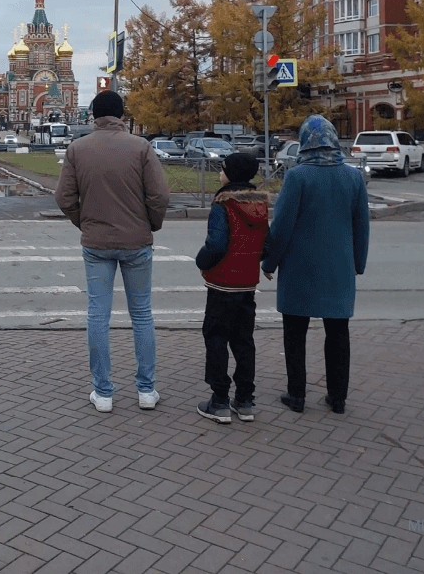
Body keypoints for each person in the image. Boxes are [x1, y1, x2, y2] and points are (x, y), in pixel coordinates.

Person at [55, 90, 169, 413]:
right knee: (142, 313)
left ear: (93, 116)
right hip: (137, 243)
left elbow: (64, 199)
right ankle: (146, 391)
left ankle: (103, 393)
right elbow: (159, 196)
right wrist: (151, 225)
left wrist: (85, 223)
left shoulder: (78, 149)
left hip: (96, 244)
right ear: (121, 115)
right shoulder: (141, 147)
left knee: (97, 315)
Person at [261, 115, 369, 415]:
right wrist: (358, 262)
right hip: (339, 269)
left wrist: (269, 261)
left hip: (299, 268)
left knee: (295, 333)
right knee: (338, 333)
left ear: (305, 142)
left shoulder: (298, 176)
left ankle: (296, 395)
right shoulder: (353, 177)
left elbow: (282, 225)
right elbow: (362, 226)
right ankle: (338, 398)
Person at [194, 153, 270, 425]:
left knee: (216, 338)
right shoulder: (260, 206)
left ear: (231, 174)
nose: (219, 174)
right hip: (247, 285)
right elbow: (267, 245)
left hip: (222, 284)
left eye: (222, 169)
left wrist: (200, 261)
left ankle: (219, 400)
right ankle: (245, 400)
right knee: (243, 340)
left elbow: (216, 245)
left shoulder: (222, 205)